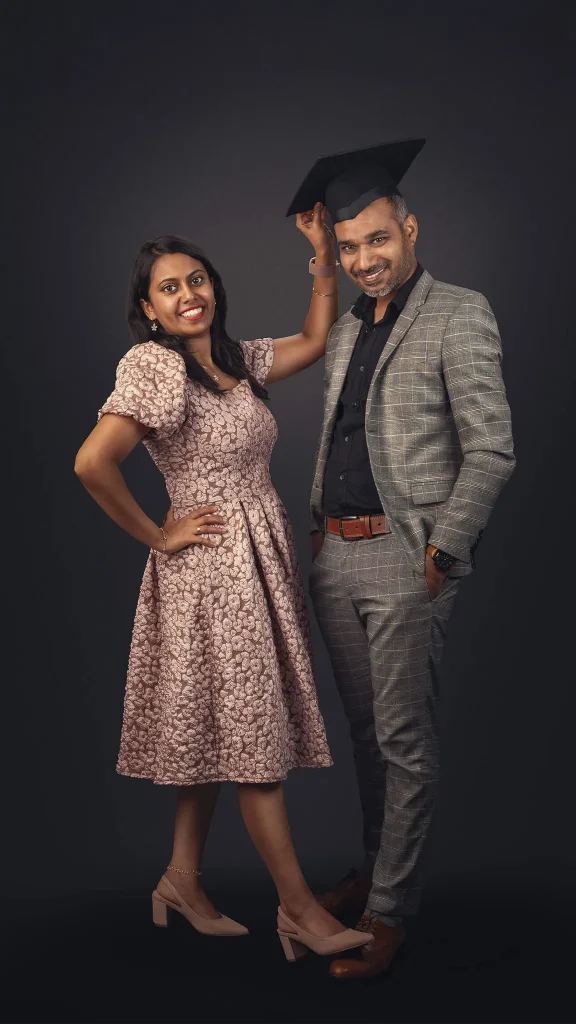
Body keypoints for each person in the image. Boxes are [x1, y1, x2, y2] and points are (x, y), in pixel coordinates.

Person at [74, 218, 371, 961]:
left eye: (196, 279)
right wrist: (159, 533)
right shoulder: (155, 366)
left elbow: (313, 339)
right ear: (149, 310)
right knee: (253, 745)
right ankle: (298, 909)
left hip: (257, 560)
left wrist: (326, 264)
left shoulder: (236, 359)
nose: (187, 295)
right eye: (168, 289)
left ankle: (181, 880)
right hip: (211, 572)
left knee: (216, 732)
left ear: (214, 286)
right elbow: (92, 463)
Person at [286, 139, 515, 978]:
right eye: (349, 249)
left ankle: (390, 911)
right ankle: (378, 872)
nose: (364, 261)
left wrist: (443, 548)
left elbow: (492, 449)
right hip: (336, 559)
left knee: (405, 741)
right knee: (366, 736)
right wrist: (319, 532)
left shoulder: (460, 311)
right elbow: (342, 435)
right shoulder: (347, 329)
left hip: (407, 555)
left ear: (410, 229)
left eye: (376, 241)